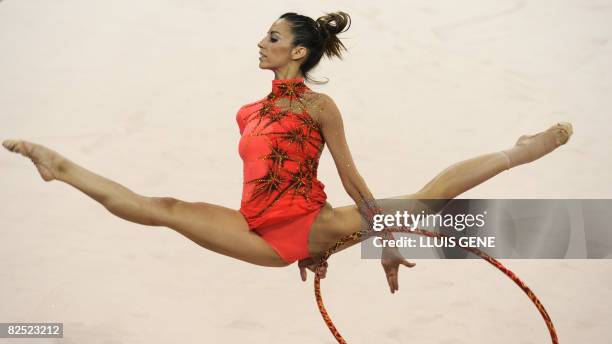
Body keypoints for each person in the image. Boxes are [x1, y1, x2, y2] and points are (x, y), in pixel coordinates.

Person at [2, 11, 573, 294]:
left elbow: (353, 181)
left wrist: (382, 240)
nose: (260, 42)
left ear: (298, 52)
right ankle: (61, 167)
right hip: (261, 231)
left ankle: (517, 153)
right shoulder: (248, 112)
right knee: (164, 208)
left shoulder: (318, 108)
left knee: (422, 199)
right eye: (265, 35)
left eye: (272, 38)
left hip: (309, 221)